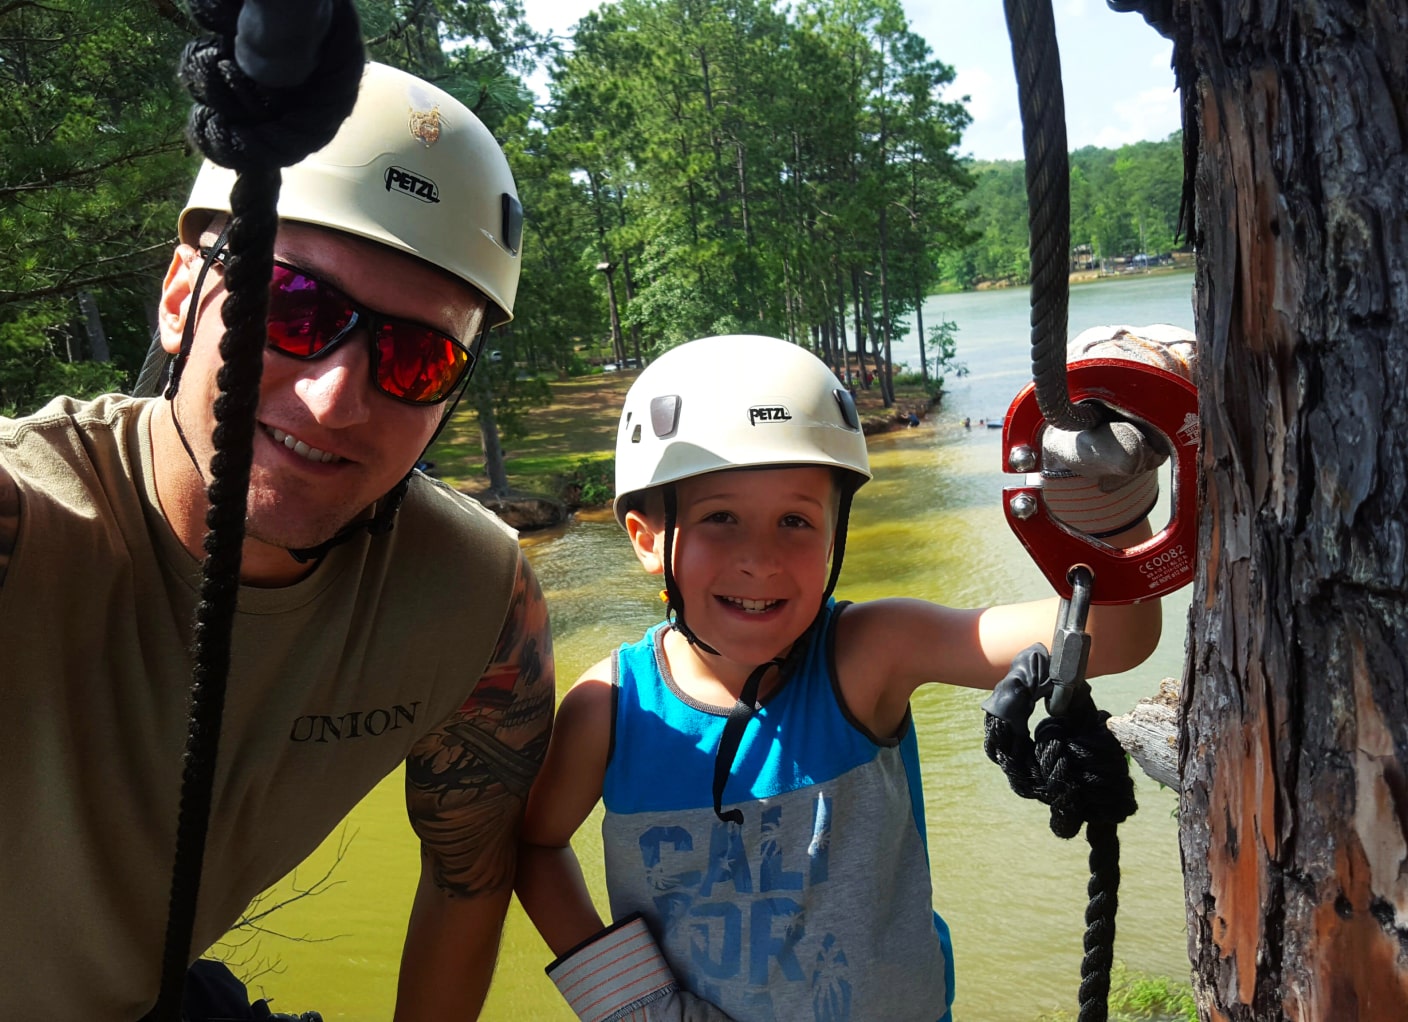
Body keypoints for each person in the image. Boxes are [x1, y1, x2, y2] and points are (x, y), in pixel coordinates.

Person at [0, 62, 553, 1020]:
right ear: (182, 296)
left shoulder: (472, 599)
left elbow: (469, 879)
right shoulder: (32, 527)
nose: (338, 396)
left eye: (419, 357)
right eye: (292, 306)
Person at [515, 331, 1189, 1022]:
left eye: (795, 521)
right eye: (721, 518)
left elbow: (1111, 638)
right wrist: (635, 1002)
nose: (761, 559)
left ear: (836, 536)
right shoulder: (612, 707)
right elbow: (536, 846)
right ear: (647, 538)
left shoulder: (868, 653)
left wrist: (1109, 500)